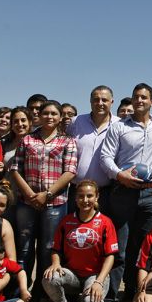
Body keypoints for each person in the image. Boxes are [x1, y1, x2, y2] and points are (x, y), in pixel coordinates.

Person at [99, 83, 152, 302]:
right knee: (120, 247)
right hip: (124, 191)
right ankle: (110, 300)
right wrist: (119, 174)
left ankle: (140, 296)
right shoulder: (118, 127)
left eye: (144, 97)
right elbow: (106, 156)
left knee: (148, 248)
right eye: (136, 97)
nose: (140, 101)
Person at [9, 100, 78, 297]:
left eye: (54, 114)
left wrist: (46, 195)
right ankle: (20, 293)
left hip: (54, 203)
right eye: (45, 113)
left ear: (59, 118)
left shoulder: (67, 141)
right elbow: (15, 168)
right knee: (24, 247)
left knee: (49, 249)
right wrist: (31, 195)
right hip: (27, 202)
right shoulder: (28, 140)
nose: (49, 117)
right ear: (39, 115)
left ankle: (44, 295)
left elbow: (70, 171)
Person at [42, 180, 119, 302]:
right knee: (49, 277)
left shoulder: (105, 222)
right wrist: (56, 263)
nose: (85, 200)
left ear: (97, 197)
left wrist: (99, 281)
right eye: (81, 196)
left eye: (89, 196)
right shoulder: (67, 221)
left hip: (95, 275)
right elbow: (56, 249)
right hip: (73, 275)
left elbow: (111, 255)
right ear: (75, 199)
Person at [65, 86, 115, 215]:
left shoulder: (119, 125)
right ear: (90, 101)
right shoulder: (76, 122)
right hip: (77, 192)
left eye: (104, 100)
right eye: (96, 100)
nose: (100, 103)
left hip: (106, 192)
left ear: (112, 102)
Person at [0, 106, 32, 172]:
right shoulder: (5, 143)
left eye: (23, 120)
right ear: (11, 125)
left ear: (30, 122)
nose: (20, 124)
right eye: (16, 121)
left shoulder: (36, 143)